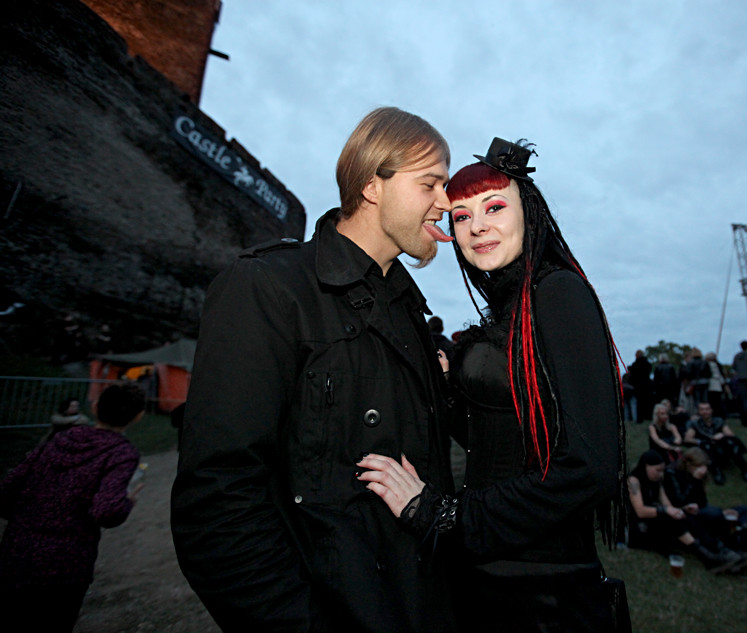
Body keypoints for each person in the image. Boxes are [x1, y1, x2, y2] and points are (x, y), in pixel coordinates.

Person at [170, 107, 458, 633]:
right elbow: (218, 501)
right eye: (431, 184)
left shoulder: (412, 316)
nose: (447, 201)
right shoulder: (268, 288)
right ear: (373, 185)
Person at [356, 138, 625, 632]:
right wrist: (444, 386)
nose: (477, 226)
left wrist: (439, 514)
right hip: (489, 578)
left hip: (544, 592)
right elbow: (512, 435)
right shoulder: (509, 308)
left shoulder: (558, 292)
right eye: (460, 217)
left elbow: (590, 467)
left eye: (494, 207)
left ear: (530, 213)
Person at [0, 382, 146, 633]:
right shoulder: (120, 453)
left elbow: (6, 491)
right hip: (66, 564)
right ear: (138, 417)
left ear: (95, 406)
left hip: (15, 553)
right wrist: (127, 503)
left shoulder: (59, 439)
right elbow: (106, 510)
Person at [624, 451, 744, 573]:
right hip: (636, 526)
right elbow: (640, 511)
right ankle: (706, 557)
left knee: (683, 517)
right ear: (646, 466)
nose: (660, 474)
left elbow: (668, 505)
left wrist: (682, 509)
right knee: (670, 519)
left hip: (652, 519)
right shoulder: (633, 481)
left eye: (662, 470)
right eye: (657, 470)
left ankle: (718, 549)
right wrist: (666, 510)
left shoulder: (657, 482)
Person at [664, 448, 747, 572]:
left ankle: (744, 544)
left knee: (745, 511)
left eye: (705, 466)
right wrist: (695, 481)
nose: (703, 470)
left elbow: (702, 502)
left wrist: (699, 483)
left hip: (701, 510)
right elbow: (678, 501)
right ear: (689, 464)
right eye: (700, 466)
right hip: (686, 514)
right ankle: (738, 548)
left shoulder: (700, 474)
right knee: (714, 514)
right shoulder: (672, 473)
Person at [684, 401, 747, 484]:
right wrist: (701, 441)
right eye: (702, 410)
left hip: (721, 448)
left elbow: (731, 434)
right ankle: (717, 473)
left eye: (707, 409)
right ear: (699, 412)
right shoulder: (695, 424)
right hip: (706, 449)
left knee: (731, 442)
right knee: (707, 445)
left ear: (711, 410)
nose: (705, 412)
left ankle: (745, 471)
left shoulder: (718, 421)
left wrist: (722, 435)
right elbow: (687, 439)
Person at [630, 349, 654, 424]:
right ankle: (648, 417)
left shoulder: (634, 365)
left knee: (639, 403)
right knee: (647, 402)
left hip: (638, 387)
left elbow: (632, 377)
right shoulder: (647, 364)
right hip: (647, 385)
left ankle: (640, 418)